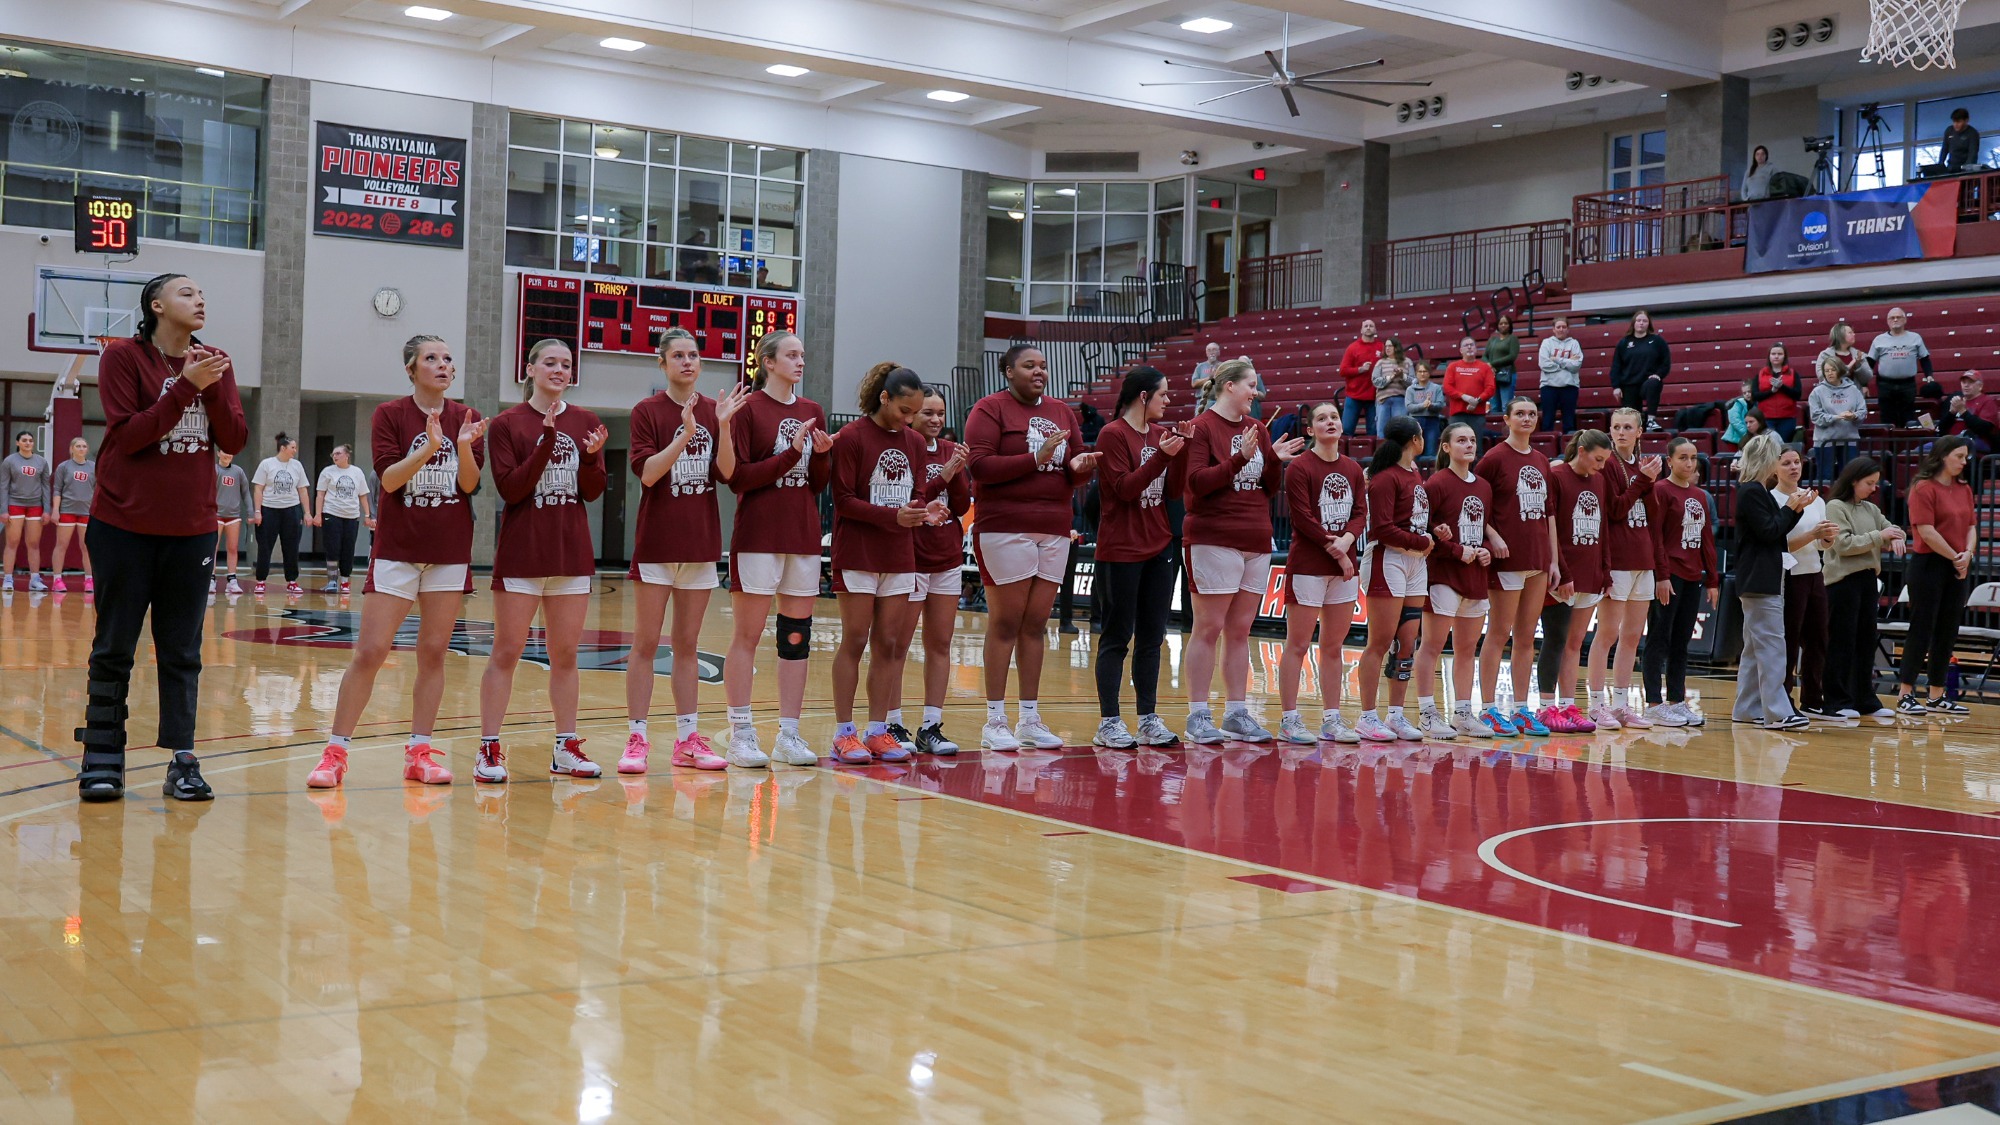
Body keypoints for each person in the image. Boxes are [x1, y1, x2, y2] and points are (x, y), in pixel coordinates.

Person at [75, 272, 248, 802]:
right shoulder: (124, 357)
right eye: (187, 292)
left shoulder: (215, 359)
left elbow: (234, 438)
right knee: (114, 646)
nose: (200, 300)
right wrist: (186, 388)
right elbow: (128, 436)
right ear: (157, 305)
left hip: (191, 530)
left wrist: (209, 386)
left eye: (202, 292)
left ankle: (183, 760)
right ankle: (102, 755)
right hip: (123, 525)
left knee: (181, 649)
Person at [305, 334, 488, 791]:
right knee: (370, 652)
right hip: (398, 551)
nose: (443, 365)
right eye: (432, 358)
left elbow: (468, 485)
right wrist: (427, 447)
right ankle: (335, 753)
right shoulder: (389, 414)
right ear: (411, 369)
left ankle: (419, 752)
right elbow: (389, 480)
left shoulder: (468, 416)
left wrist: (462, 445)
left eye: (448, 358)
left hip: (448, 553)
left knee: (433, 654)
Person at [477, 339, 610, 783]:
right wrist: (547, 439)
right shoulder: (508, 423)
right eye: (549, 363)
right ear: (529, 369)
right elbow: (512, 490)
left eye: (566, 364)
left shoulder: (587, 420)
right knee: (507, 651)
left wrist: (590, 459)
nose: (559, 370)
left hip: (570, 553)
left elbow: (592, 491)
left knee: (566, 654)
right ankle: (490, 749)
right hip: (523, 553)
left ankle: (566, 747)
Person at [623, 328, 748, 774]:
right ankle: (636, 738)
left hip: (700, 543)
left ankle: (687, 740)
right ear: (663, 364)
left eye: (693, 355)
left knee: (687, 646)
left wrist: (726, 426)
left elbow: (728, 474)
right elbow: (649, 474)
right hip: (656, 544)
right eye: (678, 355)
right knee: (644, 644)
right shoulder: (646, 411)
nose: (688, 362)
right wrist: (684, 435)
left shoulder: (717, 412)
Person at [966, 344, 1099, 750]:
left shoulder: (1061, 412)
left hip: (1054, 527)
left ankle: (1029, 718)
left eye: (1042, 366)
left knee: (1036, 623)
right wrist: (1033, 457)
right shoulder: (989, 410)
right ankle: (994, 721)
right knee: (1006, 622)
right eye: (1029, 365)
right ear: (1008, 371)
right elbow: (980, 466)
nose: (1038, 372)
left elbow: (1072, 465)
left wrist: (1080, 468)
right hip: (1005, 526)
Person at [723, 331, 834, 768]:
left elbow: (816, 485)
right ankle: (741, 732)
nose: (800, 361)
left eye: (802, 355)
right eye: (791, 355)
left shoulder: (812, 411)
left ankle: (789, 733)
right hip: (758, 535)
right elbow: (740, 480)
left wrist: (821, 456)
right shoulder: (749, 409)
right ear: (768, 362)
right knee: (747, 636)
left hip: (802, 536)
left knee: (795, 637)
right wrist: (791, 452)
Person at [1181, 358, 1302, 743]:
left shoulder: (1256, 429)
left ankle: (1236, 713)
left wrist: (1273, 462)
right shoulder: (1201, 428)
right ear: (1229, 386)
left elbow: (1267, 489)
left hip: (1256, 538)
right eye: (1251, 385)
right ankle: (1198, 715)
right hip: (1213, 537)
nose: (1256, 392)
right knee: (1209, 627)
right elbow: (1196, 485)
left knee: (1239, 630)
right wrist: (1240, 458)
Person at [828, 364, 942, 764]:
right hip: (857, 553)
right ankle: (844, 733)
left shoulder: (912, 442)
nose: (910, 419)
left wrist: (921, 508)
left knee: (889, 645)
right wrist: (891, 516)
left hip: (899, 554)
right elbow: (842, 501)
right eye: (904, 410)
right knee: (856, 640)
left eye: (915, 412)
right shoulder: (851, 438)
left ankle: (878, 731)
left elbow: (918, 489)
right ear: (884, 398)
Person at [1091, 366, 1186, 749]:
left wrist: (1183, 452)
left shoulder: (1163, 435)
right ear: (1143, 396)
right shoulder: (1112, 434)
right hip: (1121, 548)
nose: (1168, 400)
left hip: (1159, 544)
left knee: (1153, 637)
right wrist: (1162, 457)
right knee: (1117, 637)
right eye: (1162, 394)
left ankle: (1147, 718)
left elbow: (1174, 491)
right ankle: (1109, 722)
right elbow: (1126, 490)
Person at [1277, 401, 1365, 745]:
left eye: (1334, 417)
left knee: (1333, 646)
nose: (1330, 422)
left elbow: (1360, 513)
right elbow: (1302, 520)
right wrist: (1341, 554)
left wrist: (1346, 541)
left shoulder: (1354, 468)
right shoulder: (1299, 467)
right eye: (1322, 418)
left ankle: (1331, 719)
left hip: (1344, 566)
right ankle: (1289, 720)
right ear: (1311, 430)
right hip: (1309, 567)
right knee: (1297, 645)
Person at [1411, 421, 1504, 739]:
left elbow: (1482, 529)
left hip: (1475, 576)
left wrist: (1487, 551)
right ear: (1446, 447)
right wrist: (1454, 550)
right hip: (1443, 576)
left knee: (1466, 649)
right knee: (1431, 646)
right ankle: (1426, 714)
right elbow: (1421, 531)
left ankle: (1463, 713)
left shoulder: (1483, 486)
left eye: (1472, 440)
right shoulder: (1435, 484)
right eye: (1461, 440)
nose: (1469, 445)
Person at [1474, 398, 1556, 737]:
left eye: (1532, 414)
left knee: (1526, 638)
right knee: (1498, 634)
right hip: (1506, 560)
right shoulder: (1493, 459)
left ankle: (1522, 709)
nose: (1526, 418)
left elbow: (1549, 512)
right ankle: (1489, 709)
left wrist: (1553, 559)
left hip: (1537, 560)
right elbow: (1475, 502)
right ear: (1507, 419)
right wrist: (1491, 536)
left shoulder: (1541, 460)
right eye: (1519, 413)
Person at [898, 389, 973, 755]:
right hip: (911, 557)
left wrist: (956, 471)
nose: (936, 420)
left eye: (941, 413)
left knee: (940, 644)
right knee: (897, 645)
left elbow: (959, 505)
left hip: (946, 557)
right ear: (911, 414)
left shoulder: (948, 450)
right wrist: (943, 475)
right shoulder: (905, 447)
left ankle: (930, 726)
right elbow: (908, 498)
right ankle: (892, 723)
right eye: (928, 412)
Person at [1353, 416, 1432, 742]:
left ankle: (1396, 715)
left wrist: (1430, 534)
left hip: (1415, 563)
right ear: (1415, 439)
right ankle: (1367, 716)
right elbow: (1382, 528)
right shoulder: (1386, 479)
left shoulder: (1414, 473)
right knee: (1380, 642)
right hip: (1389, 559)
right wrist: (1422, 542)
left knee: (1407, 643)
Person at [1588, 409, 1666, 730]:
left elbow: (1653, 520)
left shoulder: (1643, 465)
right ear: (1610, 431)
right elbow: (1617, 509)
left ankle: (1621, 706)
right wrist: (1644, 482)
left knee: (1632, 636)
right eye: (1616, 427)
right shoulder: (1606, 465)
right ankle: (1596, 705)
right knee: (1606, 634)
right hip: (1617, 560)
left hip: (1642, 560)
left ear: (1639, 431)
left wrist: (1660, 570)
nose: (1621, 432)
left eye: (1627, 427)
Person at [1730, 433, 1812, 731]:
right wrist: (1791, 508)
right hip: (1759, 580)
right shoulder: (1752, 491)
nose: (1781, 462)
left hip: (1761, 578)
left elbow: (1773, 531)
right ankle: (1777, 712)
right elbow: (1769, 531)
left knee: (1754, 649)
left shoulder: (1755, 491)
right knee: (1773, 647)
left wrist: (1794, 509)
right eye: (1777, 457)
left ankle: (1747, 708)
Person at [1897, 436, 1977, 715]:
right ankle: (1906, 694)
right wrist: (1955, 556)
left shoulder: (1964, 489)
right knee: (1922, 627)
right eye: (1959, 456)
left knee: (1947, 629)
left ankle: (1936, 695)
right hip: (1929, 564)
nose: (1964, 462)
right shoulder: (1923, 488)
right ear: (1943, 456)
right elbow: (1927, 532)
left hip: (1957, 564)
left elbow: (1970, 526)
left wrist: (1967, 553)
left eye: (1965, 456)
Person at [1542, 429, 1615, 734]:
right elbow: (1550, 527)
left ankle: (1569, 705)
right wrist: (1563, 572)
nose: (1601, 465)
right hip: (1564, 574)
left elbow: (1604, 528)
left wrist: (1606, 570)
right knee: (1556, 640)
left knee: (1575, 644)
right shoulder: (1556, 476)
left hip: (1590, 573)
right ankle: (1546, 708)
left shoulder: (1599, 479)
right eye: (1598, 459)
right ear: (1582, 451)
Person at [1642, 437, 1718, 726]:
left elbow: (1706, 540)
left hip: (1692, 575)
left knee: (1681, 642)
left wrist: (1711, 579)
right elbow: (1656, 537)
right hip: (1669, 575)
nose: (1689, 463)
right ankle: (1653, 703)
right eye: (1683, 457)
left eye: (1693, 458)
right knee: (1659, 638)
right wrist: (1661, 576)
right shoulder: (1660, 490)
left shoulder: (1700, 495)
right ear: (1669, 461)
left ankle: (1677, 700)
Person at [1824, 457, 1906, 720]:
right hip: (1842, 583)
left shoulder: (1870, 509)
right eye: (1869, 483)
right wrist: (1880, 538)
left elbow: (1890, 528)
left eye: (1876, 483)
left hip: (1868, 581)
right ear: (1854, 480)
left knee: (1865, 641)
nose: (1874, 488)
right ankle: (1836, 700)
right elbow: (1844, 545)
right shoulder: (1835, 507)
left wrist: (1896, 536)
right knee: (1841, 642)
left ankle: (1865, 699)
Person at [1771, 446, 1837, 718]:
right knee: (1789, 639)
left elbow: (1822, 545)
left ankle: (1813, 698)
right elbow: (1779, 544)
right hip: (1790, 577)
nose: (1793, 467)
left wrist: (1827, 537)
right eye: (1786, 463)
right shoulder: (1772, 499)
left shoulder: (1816, 499)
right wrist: (1813, 535)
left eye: (1796, 462)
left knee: (1819, 638)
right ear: (1775, 468)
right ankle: (1783, 698)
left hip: (1814, 574)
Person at [251, 432, 310, 596]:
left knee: (291, 547)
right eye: (292, 447)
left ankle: (292, 581)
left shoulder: (297, 466)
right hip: (269, 510)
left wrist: (307, 513)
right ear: (283, 448)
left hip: (292, 510)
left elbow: (303, 489)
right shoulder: (267, 464)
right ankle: (261, 581)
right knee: (265, 546)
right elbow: (258, 489)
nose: (295, 450)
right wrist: (257, 511)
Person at [313, 445, 373, 595]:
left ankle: (345, 582)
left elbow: (363, 495)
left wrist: (367, 514)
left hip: (351, 516)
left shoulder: (357, 472)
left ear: (347, 455)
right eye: (333, 454)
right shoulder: (327, 472)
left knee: (348, 549)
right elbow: (320, 495)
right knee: (332, 548)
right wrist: (318, 514)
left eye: (338, 453)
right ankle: (332, 581)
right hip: (331, 513)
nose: (335, 456)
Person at [1808, 353, 1867, 483]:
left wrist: (1854, 416)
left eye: (1833, 370)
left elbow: (1862, 411)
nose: (1829, 373)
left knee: (1850, 478)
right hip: (1825, 440)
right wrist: (1836, 417)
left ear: (1839, 370)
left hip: (1849, 439)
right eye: (1826, 371)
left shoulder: (1853, 389)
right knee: (1825, 477)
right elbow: (1816, 416)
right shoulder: (1817, 392)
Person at [3, 431, 49, 592]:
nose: (28, 443)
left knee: (34, 544)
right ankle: (8, 579)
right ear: (18, 443)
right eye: (24, 440)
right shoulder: (9, 461)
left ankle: (35, 579)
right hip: (15, 504)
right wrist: (3, 510)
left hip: (36, 505)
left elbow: (46, 487)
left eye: (30, 440)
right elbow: (3, 486)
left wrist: (47, 509)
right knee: (12, 542)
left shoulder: (41, 462)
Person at [1607, 309, 1671, 427]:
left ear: (1648, 324)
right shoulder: (1624, 343)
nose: (1641, 323)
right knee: (1632, 422)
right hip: (1629, 384)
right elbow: (1616, 366)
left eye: (1644, 321)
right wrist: (1616, 386)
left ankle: (1651, 420)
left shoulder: (1657, 341)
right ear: (1634, 323)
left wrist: (1659, 374)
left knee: (1654, 383)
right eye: (1639, 320)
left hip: (1647, 382)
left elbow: (1666, 363)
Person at [1864, 310, 1926, 428]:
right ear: (1887, 321)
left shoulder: (1915, 338)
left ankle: (1907, 445)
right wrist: (1864, 384)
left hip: (1907, 385)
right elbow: (1869, 363)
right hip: (1885, 385)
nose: (1895, 320)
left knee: (1907, 418)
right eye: (1892, 318)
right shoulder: (1879, 340)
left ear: (1905, 320)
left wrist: (1929, 374)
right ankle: (1889, 446)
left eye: (1898, 317)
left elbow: (1924, 358)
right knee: (1887, 419)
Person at [49, 437, 94, 593]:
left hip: (86, 512)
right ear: (72, 449)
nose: (81, 448)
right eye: (78, 446)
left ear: (87, 449)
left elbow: (97, 492)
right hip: (67, 510)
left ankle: (89, 580)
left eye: (84, 446)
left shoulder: (93, 467)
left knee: (86, 547)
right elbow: (57, 490)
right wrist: (55, 510)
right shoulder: (64, 467)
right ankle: (57, 579)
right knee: (61, 545)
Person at [1536, 315, 1583, 434]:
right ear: (1553, 329)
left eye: (1564, 327)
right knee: (1547, 421)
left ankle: (1570, 449)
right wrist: (1567, 362)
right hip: (1549, 386)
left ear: (1568, 329)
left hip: (1569, 386)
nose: (1561, 329)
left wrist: (1556, 360)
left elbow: (1576, 365)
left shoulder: (1574, 343)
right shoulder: (1546, 343)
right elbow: (1544, 364)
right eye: (1558, 327)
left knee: (1569, 422)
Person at [1442, 337, 1496, 438]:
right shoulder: (1452, 367)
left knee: (1476, 446)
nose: (1470, 347)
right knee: (1456, 443)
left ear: (1476, 349)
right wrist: (1463, 396)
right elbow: (1447, 387)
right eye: (1466, 345)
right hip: (1457, 414)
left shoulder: (1485, 367)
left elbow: (1490, 388)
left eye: (1472, 345)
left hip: (1477, 414)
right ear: (1461, 350)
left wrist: (1477, 400)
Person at [1936, 370, 1999, 456]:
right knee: (1920, 450)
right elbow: (1941, 429)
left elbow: (1984, 429)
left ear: (1980, 386)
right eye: (1963, 382)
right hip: (1952, 442)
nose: (1966, 385)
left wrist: (1963, 411)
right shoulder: (1957, 400)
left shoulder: (1987, 401)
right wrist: (1951, 413)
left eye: (1970, 382)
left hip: (1975, 443)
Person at [214, 452, 251, 594]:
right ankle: (211, 579)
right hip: (216, 515)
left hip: (234, 516)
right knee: (213, 548)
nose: (227, 455)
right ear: (218, 453)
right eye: (224, 452)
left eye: (230, 453)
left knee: (233, 548)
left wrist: (251, 512)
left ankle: (232, 580)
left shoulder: (238, 471)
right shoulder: (214, 470)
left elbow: (246, 492)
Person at [1337, 319, 1382, 436]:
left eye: (1371, 326)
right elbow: (1343, 370)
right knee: (1346, 429)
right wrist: (1359, 369)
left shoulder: (1381, 347)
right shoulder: (1352, 348)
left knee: (1373, 431)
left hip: (1374, 396)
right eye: (1366, 326)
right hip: (1354, 395)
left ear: (1375, 330)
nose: (1368, 328)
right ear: (1361, 330)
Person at [1752, 343, 1803, 442]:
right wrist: (1771, 391)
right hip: (1766, 418)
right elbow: (1755, 396)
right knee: (1768, 447)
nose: (1776, 356)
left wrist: (1782, 387)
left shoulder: (1793, 373)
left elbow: (1797, 394)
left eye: (1779, 354)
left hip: (1787, 418)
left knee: (1784, 446)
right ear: (1769, 356)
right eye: (1773, 353)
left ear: (1784, 356)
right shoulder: (1760, 374)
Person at [1371, 336, 1412, 436]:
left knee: (1399, 429)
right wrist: (1391, 377)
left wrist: (1402, 376)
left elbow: (1413, 381)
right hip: (1383, 400)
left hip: (1401, 399)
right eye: (1386, 346)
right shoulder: (1380, 363)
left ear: (1396, 347)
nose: (1387, 348)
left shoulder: (1407, 362)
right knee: (1382, 430)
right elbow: (1375, 381)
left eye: (1390, 346)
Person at [1405, 360, 1445, 456]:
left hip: (1432, 421)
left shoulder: (1436, 388)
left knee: (1431, 452)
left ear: (1429, 373)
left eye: (1425, 371)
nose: (1422, 374)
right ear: (1416, 373)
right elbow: (1409, 407)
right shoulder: (1410, 389)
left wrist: (1431, 405)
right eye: (1420, 371)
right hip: (1415, 422)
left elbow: (1440, 405)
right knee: (1415, 451)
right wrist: (1423, 405)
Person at [1484, 315, 1520, 418]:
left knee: (1506, 406)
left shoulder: (1512, 338)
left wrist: (1492, 364)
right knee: (1494, 406)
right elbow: (1484, 355)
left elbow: (1512, 356)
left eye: (1505, 323)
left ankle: (1507, 430)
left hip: (1506, 375)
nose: (1503, 325)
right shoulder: (1492, 340)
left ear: (1510, 325)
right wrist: (1488, 365)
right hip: (1492, 375)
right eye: (1501, 323)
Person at [1943, 107, 1981, 173]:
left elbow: (1972, 154)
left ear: (1966, 121)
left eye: (1959, 122)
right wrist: (1940, 165)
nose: (1955, 125)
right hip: (1951, 167)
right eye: (1954, 122)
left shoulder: (1973, 133)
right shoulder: (1949, 130)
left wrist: (1966, 170)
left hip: (1965, 169)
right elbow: (1944, 149)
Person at [1722, 379, 1754, 450]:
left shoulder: (1756, 403)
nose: (1747, 394)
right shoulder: (1738, 403)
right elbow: (1735, 420)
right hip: (1734, 439)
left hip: (1747, 439)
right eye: (1744, 393)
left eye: (1749, 392)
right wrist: (1747, 434)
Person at [1191, 340, 1223, 409]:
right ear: (1206, 353)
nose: (1211, 352)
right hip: (1203, 402)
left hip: (1219, 401)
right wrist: (1209, 378)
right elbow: (1194, 384)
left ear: (1219, 352)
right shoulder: (1200, 367)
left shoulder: (1223, 366)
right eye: (1209, 350)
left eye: (1214, 350)